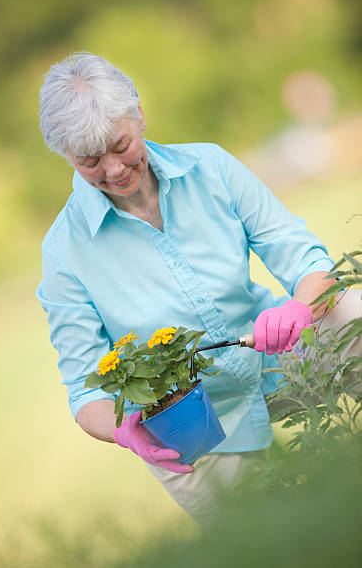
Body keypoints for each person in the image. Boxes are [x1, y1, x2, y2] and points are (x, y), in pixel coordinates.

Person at [37, 52, 361, 529]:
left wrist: (298, 307)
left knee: (353, 308)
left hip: (277, 354)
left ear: (139, 115)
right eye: (89, 161)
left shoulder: (212, 167)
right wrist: (126, 430)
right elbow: (85, 387)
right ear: (68, 157)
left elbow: (308, 260)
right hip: (189, 417)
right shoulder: (65, 251)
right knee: (258, 543)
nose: (112, 170)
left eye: (121, 145)